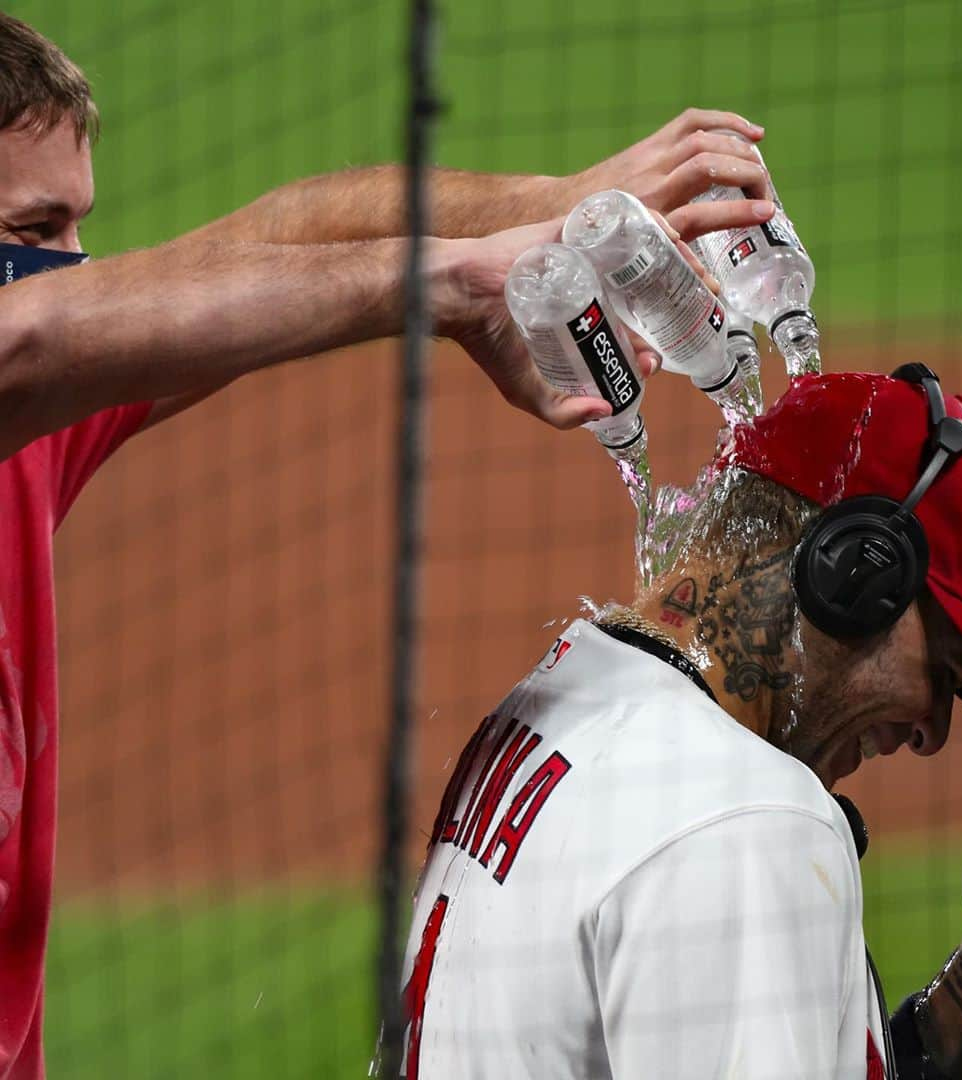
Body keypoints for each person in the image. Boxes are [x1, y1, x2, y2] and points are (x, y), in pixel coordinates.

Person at [0, 12, 779, 1078]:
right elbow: (34, 332)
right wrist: (450, 280)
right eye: (35, 232)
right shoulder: (29, 367)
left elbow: (275, 239)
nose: (78, 274)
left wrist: (555, 209)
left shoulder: (30, 442)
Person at [401, 366, 962, 1079]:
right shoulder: (747, 821)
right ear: (853, 577)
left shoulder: (569, 694)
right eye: (943, 671)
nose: (931, 732)